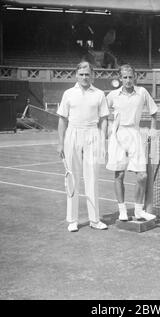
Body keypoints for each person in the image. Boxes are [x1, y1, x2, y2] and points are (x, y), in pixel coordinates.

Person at [57, 61, 109, 232]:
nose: (85, 77)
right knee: (72, 178)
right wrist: (60, 143)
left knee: (92, 178)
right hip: (72, 134)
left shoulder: (100, 94)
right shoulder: (68, 93)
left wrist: (102, 140)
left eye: (87, 74)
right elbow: (62, 119)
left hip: (93, 134)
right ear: (76, 75)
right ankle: (73, 220)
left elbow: (104, 120)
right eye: (81, 74)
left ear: (92, 75)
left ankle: (94, 220)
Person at [106, 64, 158, 221]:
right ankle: (122, 211)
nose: (128, 80)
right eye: (125, 77)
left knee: (142, 176)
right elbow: (102, 112)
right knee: (119, 174)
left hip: (135, 134)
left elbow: (154, 112)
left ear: (135, 77)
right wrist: (109, 128)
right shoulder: (112, 95)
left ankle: (138, 211)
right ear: (120, 78)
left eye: (130, 77)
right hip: (118, 135)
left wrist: (153, 129)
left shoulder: (142, 92)